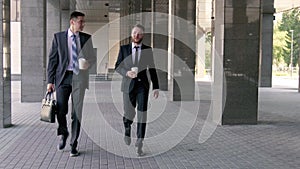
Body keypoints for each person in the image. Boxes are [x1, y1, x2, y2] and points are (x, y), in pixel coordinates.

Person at [46, 11, 96, 157]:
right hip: (63, 78)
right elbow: (52, 61)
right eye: (81, 21)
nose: (83, 24)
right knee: (61, 111)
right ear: (72, 22)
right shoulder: (58, 37)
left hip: (79, 78)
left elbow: (92, 58)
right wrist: (50, 81)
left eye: (83, 22)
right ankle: (64, 133)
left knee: (77, 113)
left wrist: (88, 63)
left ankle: (74, 144)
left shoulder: (87, 38)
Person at [115, 24, 159, 156]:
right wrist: (126, 73)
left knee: (142, 114)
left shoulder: (147, 50)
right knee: (128, 112)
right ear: (131, 34)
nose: (136, 35)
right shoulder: (124, 49)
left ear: (142, 35)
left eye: (139, 33)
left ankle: (140, 142)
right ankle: (127, 129)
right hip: (127, 86)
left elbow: (152, 68)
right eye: (134, 33)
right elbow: (117, 66)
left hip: (142, 86)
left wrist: (156, 86)